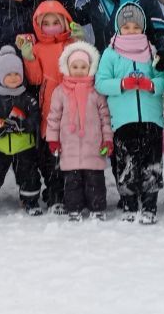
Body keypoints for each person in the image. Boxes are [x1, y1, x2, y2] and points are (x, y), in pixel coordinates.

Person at [94, 3, 164, 224]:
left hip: (151, 118)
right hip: (123, 120)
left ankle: (149, 205)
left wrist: (152, 85)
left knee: (151, 164)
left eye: (136, 26)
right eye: (126, 26)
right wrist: (123, 84)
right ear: (118, 28)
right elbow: (101, 83)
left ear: (143, 27)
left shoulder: (152, 51)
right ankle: (129, 203)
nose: (132, 30)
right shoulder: (110, 53)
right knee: (127, 164)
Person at [18, 0, 80, 214]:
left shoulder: (71, 44)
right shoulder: (38, 47)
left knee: (70, 156)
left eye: (56, 21)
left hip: (72, 107)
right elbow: (35, 79)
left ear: (65, 22)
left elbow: (84, 69)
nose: (52, 26)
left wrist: (82, 43)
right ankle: (54, 195)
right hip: (48, 110)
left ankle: (71, 194)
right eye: (47, 22)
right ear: (39, 25)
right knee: (50, 158)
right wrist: (29, 58)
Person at [45, 42, 112, 222]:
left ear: (90, 67)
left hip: (93, 145)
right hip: (70, 146)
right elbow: (53, 118)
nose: (79, 70)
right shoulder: (60, 92)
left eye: (83, 66)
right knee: (72, 182)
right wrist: (53, 140)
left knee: (95, 180)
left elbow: (105, 118)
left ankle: (97, 208)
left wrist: (107, 140)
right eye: (75, 66)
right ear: (67, 67)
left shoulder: (96, 91)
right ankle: (73, 208)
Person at [0, 46, 43, 218]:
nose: (13, 78)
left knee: (29, 175)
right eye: (8, 74)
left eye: (17, 74)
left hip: (23, 146)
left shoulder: (28, 98)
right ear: (0, 75)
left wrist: (23, 124)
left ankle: (30, 201)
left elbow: (36, 119)